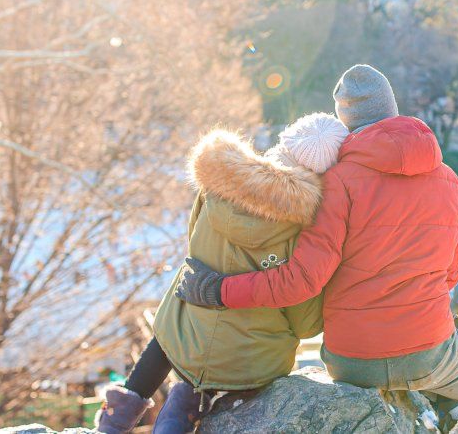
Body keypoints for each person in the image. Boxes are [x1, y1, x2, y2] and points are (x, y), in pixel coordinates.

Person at [173, 65, 458, 433]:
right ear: (392, 109)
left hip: (353, 360)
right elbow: (451, 275)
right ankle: (448, 401)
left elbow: (303, 281)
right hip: (429, 350)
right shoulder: (449, 180)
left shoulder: (337, 183)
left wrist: (219, 290)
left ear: (346, 121)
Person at [98, 114, 347, 433]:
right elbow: (304, 322)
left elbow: (194, 247)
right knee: (240, 335)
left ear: (284, 141)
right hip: (250, 366)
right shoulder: (305, 230)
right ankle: (188, 404)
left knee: (187, 285)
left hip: (187, 340)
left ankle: (124, 417)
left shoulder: (217, 184)